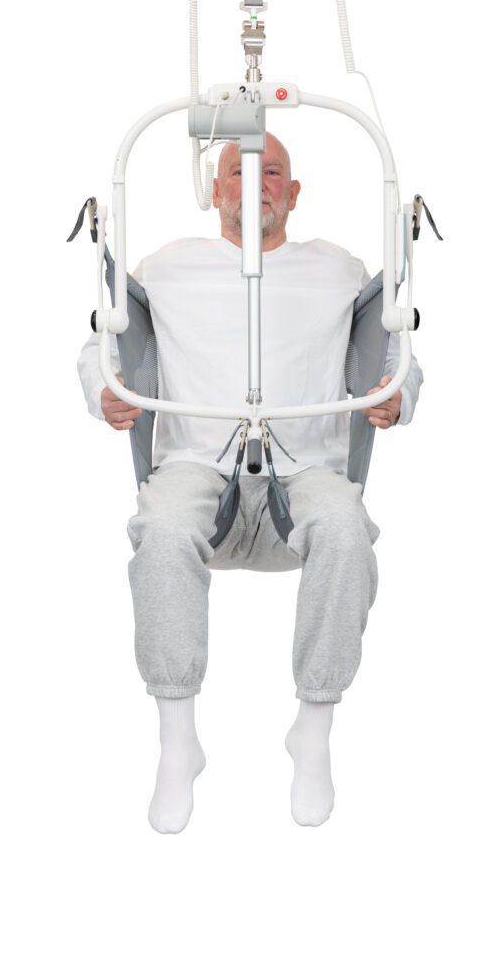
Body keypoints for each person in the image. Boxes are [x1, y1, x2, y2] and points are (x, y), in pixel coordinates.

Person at [77, 133, 423, 833]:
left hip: (307, 470)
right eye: (238, 170)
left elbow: (397, 351)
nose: (255, 181)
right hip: (196, 467)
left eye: (272, 172)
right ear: (214, 191)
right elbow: (101, 345)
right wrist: (103, 390)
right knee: (162, 531)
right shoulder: (166, 267)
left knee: (346, 531)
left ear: (292, 194)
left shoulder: (337, 269)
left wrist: (398, 396)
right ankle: (178, 742)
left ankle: (313, 731)